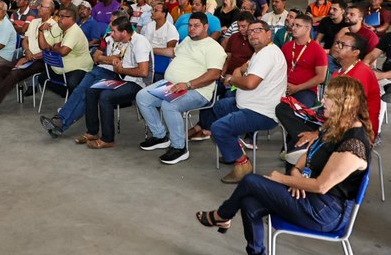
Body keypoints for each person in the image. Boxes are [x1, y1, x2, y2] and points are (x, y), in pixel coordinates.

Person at [196, 77, 373, 255]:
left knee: (250, 181)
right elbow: (308, 155)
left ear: (344, 103)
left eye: (328, 97)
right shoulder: (335, 125)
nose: (322, 101)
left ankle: (222, 215)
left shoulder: (353, 144)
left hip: (325, 212)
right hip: (310, 194)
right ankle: (254, 250)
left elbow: (321, 185)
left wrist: (282, 178)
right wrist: (295, 175)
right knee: (249, 202)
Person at [199, 20, 287, 183]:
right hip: (248, 104)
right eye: (250, 31)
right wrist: (237, 73)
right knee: (219, 106)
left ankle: (243, 164)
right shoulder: (259, 52)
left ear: (268, 34)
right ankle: (235, 150)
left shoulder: (268, 54)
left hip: (262, 112)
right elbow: (241, 68)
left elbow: (250, 83)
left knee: (219, 127)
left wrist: (232, 80)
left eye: (258, 30)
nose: (252, 34)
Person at [135, 12, 226, 165]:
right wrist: (152, 48)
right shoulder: (187, 41)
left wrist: (188, 84)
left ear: (205, 27)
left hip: (196, 90)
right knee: (142, 97)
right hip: (171, 85)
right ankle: (160, 136)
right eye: (190, 25)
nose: (191, 29)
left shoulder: (213, 47)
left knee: (169, 105)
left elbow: (214, 74)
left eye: (196, 26)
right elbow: (172, 52)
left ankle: (179, 147)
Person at [277, 32, 380, 163]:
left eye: (342, 45)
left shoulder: (361, 73)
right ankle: (306, 146)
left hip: (354, 129)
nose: (337, 46)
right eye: (337, 42)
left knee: (297, 143)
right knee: (283, 109)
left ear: (355, 52)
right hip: (333, 120)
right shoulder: (338, 72)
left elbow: (349, 114)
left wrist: (317, 133)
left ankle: (307, 150)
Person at [39, 11, 124, 136]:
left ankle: (60, 122)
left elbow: (119, 61)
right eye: (110, 22)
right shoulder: (108, 37)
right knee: (80, 90)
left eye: (113, 23)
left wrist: (104, 58)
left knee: (88, 94)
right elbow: (96, 56)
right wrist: (107, 59)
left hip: (118, 74)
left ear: (124, 27)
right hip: (101, 69)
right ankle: (59, 122)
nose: (109, 25)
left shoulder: (131, 41)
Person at [0, 0, 60, 115]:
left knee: (15, 73)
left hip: (42, 60)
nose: (38, 8)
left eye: (41, 6)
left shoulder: (55, 26)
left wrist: (31, 57)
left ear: (50, 10)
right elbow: (25, 40)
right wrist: (27, 51)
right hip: (27, 55)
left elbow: (51, 49)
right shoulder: (34, 22)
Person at [80, 16, 151, 149]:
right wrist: (116, 62)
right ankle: (92, 132)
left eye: (114, 31)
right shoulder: (123, 41)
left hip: (138, 83)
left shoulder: (140, 42)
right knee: (91, 90)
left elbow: (143, 72)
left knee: (105, 97)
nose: (111, 34)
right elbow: (114, 58)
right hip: (123, 78)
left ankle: (107, 139)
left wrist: (121, 68)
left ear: (124, 32)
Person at [282, 14, 328, 109]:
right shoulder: (287, 46)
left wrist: (296, 88)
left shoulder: (318, 50)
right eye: (293, 25)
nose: (293, 28)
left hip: (306, 90)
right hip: (284, 87)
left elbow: (321, 77)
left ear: (308, 28)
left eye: (298, 26)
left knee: (295, 112)